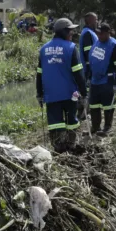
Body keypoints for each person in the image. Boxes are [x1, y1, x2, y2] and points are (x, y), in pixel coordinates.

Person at [36, 18, 86, 152]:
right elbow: (78, 73)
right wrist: (84, 93)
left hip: (51, 95)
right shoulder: (71, 48)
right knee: (72, 122)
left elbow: (39, 74)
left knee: (55, 124)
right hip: (70, 94)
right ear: (63, 31)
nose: (72, 33)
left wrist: (39, 94)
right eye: (70, 31)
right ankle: (71, 147)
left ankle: (59, 150)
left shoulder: (44, 49)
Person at [86, 23, 116, 136]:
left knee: (108, 105)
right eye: (98, 33)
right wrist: (89, 77)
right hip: (95, 80)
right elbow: (92, 61)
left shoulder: (114, 46)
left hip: (107, 80)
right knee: (94, 105)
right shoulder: (97, 42)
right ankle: (95, 127)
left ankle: (107, 127)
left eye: (101, 33)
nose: (99, 35)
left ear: (108, 33)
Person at [78, 13, 99, 120]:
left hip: (90, 69)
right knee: (86, 92)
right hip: (88, 70)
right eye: (96, 20)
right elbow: (88, 53)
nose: (97, 22)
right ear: (90, 21)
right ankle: (83, 115)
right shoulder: (87, 34)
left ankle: (86, 113)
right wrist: (90, 70)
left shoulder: (90, 33)